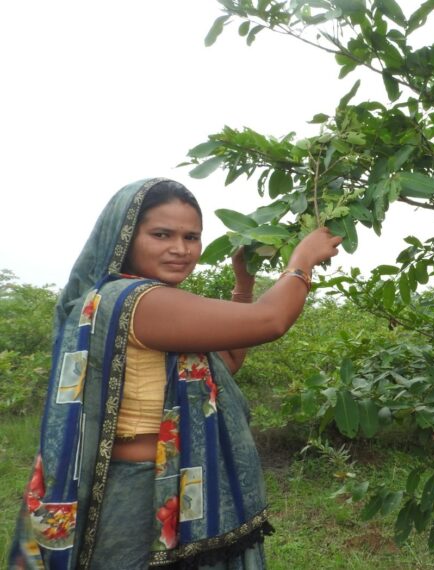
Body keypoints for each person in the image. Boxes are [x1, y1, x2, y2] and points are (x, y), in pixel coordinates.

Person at [8, 178, 342, 569]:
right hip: (138, 490)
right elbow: (270, 320)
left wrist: (243, 279)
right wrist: (301, 261)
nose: (180, 249)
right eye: (161, 234)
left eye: (191, 237)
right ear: (126, 237)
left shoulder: (124, 297)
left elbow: (226, 364)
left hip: (162, 481)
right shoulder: (138, 302)